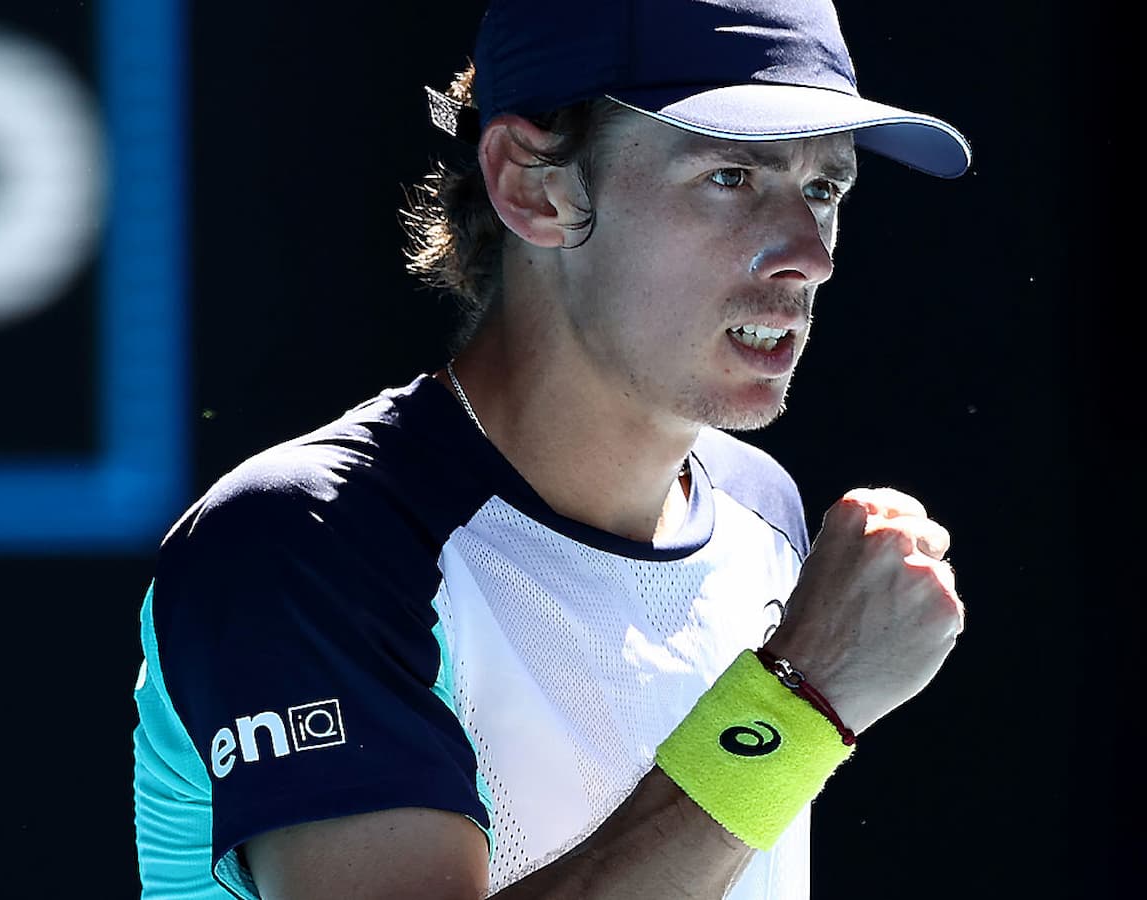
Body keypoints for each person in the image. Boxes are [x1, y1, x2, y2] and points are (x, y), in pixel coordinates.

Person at [131, 1, 971, 898]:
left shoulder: (759, 509)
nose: (809, 255)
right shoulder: (301, 544)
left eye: (823, 189)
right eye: (731, 176)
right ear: (535, 187)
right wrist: (798, 705)